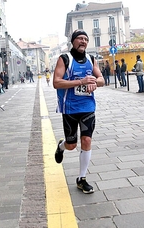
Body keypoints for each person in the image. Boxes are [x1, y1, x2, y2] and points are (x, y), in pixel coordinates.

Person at [53, 29, 104, 194]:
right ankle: (62, 146)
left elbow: (102, 79)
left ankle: (82, 178)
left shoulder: (91, 59)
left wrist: (95, 82)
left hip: (88, 107)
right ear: (73, 41)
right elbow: (56, 82)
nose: (83, 41)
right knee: (71, 145)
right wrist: (81, 81)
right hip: (69, 108)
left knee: (87, 140)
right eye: (80, 39)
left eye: (86, 39)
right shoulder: (65, 59)